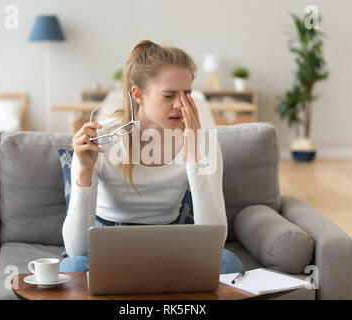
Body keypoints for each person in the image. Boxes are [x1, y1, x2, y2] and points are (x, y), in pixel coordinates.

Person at [60, 40, 243, 274]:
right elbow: (76, 249)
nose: (181, 104)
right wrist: (84, 172)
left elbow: (214, 242)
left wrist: (194, 158)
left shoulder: (202, 140)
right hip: (108, 247)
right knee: (74, 267)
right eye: (169, 95)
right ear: (138, 95)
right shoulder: (102, 137)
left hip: (170, 245)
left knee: (228, 263)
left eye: (187, 93)